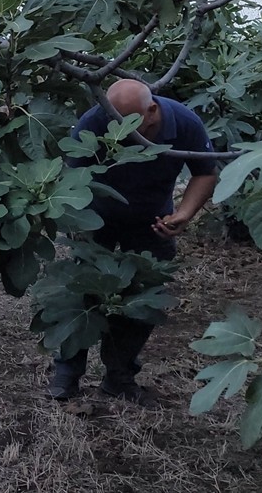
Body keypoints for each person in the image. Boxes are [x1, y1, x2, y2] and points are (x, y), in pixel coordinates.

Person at [49, 78, 218, 404]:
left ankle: (119, 377)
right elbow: (73, 176)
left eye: (129, 122)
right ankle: (67, 373)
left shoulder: (184, 123)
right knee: (80, 294)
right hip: (94, 221)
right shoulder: (94, 121)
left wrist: (184, 214)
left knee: (143, 299)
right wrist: (74, 222)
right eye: (114, 121)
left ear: (152, 110)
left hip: (152, 223)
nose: (120, 129)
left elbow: (205, 171)